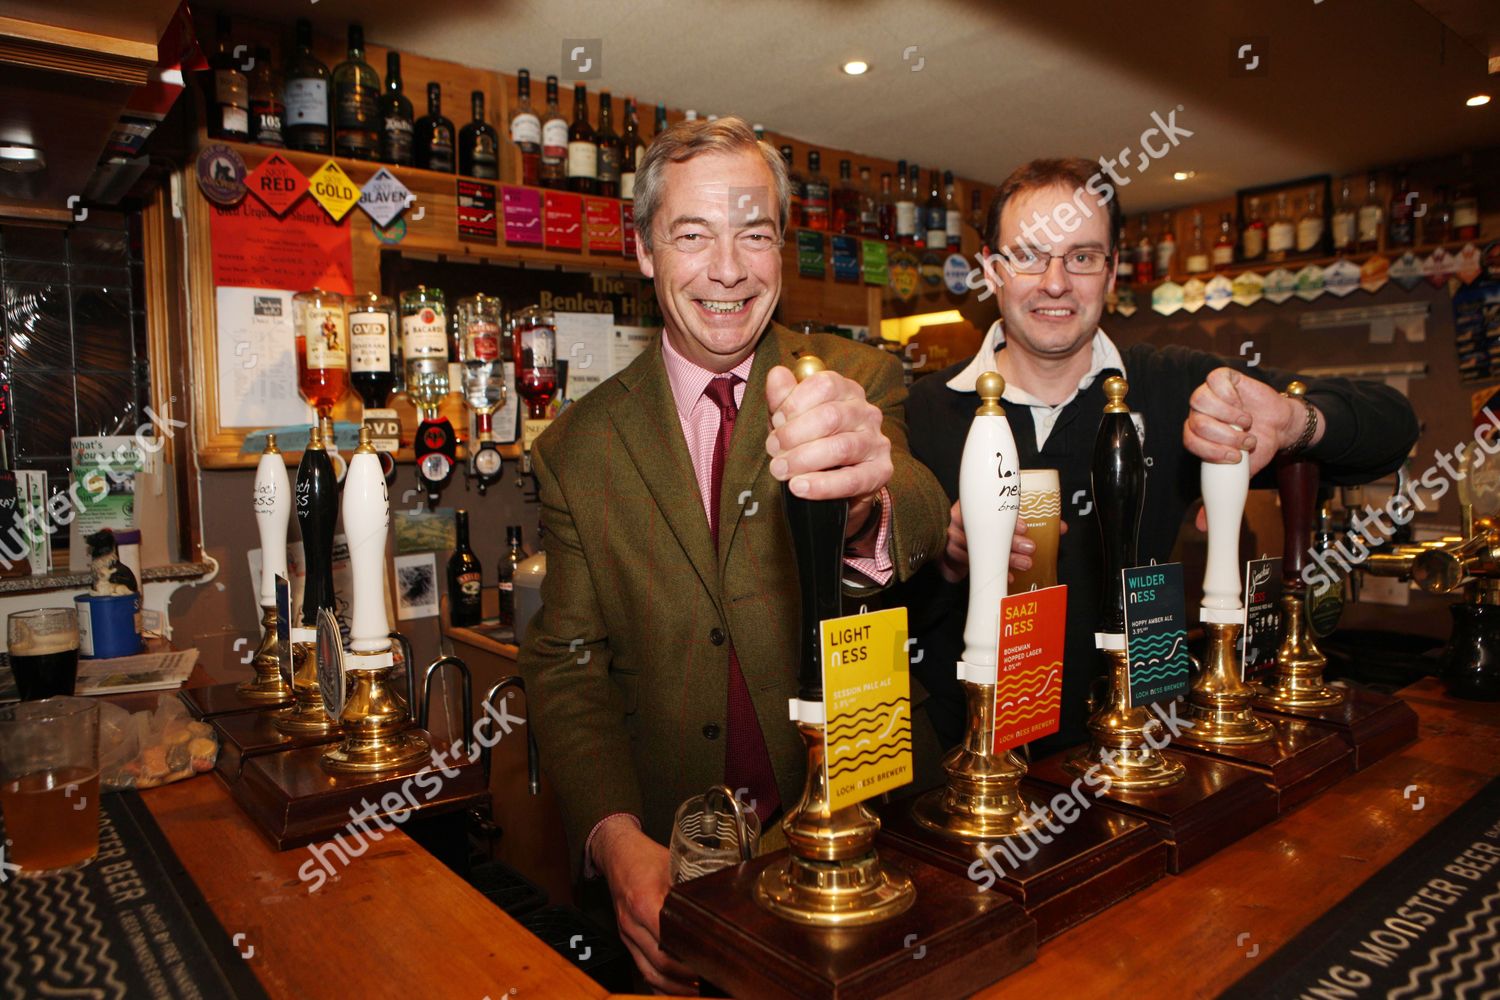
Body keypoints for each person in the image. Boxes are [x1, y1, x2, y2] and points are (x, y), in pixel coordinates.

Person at [517, 117, 948, 994]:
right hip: (689, 879)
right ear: (644, 251)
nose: (727, 269)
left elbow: (919, 504)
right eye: (692, 235)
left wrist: (866, 499)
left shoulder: (848, 380)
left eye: (753, 234)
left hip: (876, 835)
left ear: (782, 250)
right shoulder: (579, 448)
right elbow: (568, 670)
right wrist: (612, 835)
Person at [895, 157, 1419, 753]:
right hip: (962, 761)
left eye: (1083, 257)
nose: (1056, 282)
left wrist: (1292, 421)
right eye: (1029, 256)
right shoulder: (924, 410)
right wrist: (947, 557)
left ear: (1112, 274)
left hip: (1127, 758)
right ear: (991, 270)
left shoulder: (1174, 388)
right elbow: (874, 605)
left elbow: (1390, 427)